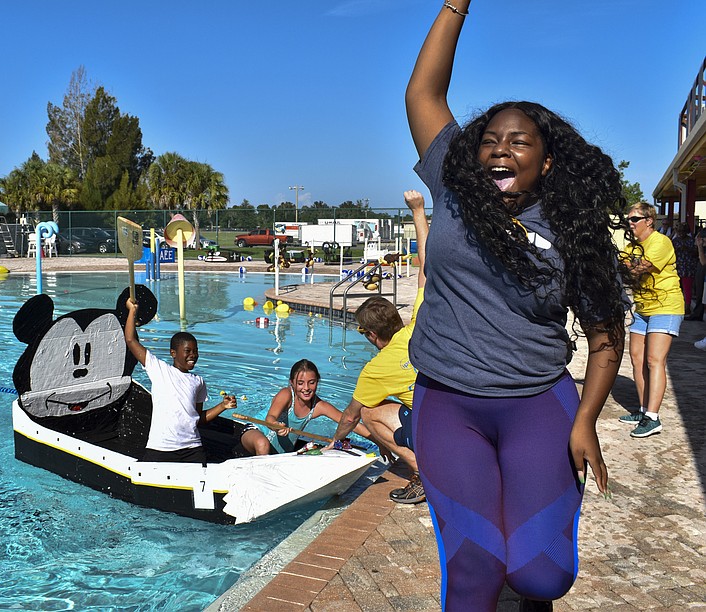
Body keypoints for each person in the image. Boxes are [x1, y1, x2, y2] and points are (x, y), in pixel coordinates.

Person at [404, 2, 634, 609]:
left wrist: (586, 419)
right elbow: (423, 92)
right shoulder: (454, 191)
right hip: (448, 404)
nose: (501, 150)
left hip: (538, 403)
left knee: (541, 577)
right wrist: (456, 4)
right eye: (490, 141)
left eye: (519, 141)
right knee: (476, 568)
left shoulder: (574, 229)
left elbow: (607, 337)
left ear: (546, 159)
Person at [328, 189, 429, 504]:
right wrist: (418, 210)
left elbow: (350, 416)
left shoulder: (375, 370)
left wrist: (336, 442)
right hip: (457, 417)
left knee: (370, 411)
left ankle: (423, 474)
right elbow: (426, 268)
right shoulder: (419, 326)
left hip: (433, 429)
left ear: (371, 334)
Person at [124, 299, 270, 461]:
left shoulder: (198, 381)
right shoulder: (160, 370)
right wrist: (132, 312)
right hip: (161, 447)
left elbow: (198, 418)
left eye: (195, 351)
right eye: (187, 350)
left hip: (192, 448)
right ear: (173, 353)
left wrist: (222, 406)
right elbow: (131, 340)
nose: (193, 355)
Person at [619, 203, 685, 437]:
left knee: (654, 360)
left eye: (635, 219)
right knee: (637, 359)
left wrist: (628, 266)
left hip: (665, 306)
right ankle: (644, 408)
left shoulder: (660, 242)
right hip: (643, 308)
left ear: (649, 220)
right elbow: (619, 266)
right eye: (629, 219)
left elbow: (639, 269)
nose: (630, 223)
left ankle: (653, 418)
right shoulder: (632, 246)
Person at [264, 359, 372, 453]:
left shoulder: (319, 406)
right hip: (255, 433)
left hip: (281, 452)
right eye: (300, 383)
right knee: (262, 444)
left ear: (317, 382)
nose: (306, 388)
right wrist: (276, 426)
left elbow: (349, 421)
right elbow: (270, 418)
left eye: (311, 382)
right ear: (292, 383)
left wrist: (379, 441)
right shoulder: (286, 394)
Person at [672, 223, 697, 315]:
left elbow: (696, 253)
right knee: (676, 288)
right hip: (678, 267)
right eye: (679, 231)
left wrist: (687, 249)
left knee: (687, 289)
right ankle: (677, 306)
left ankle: (687, 307)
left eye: (683, 231)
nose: (681, 233)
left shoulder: (691, 241)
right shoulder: (674, 241)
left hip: (688, 268)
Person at [686, 227, 706, 321]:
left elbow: (703, 262)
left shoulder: (703, 247)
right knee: (698, 291)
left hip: (703, 270)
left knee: (701, 293)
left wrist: (700, 247)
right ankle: (698, 312)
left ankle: (698, 313)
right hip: (700, 269)